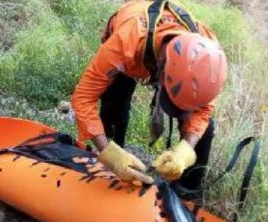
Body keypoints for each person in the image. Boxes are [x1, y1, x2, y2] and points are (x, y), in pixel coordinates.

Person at [71, 0, 228, 192]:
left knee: (206, 128)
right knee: (114, 104)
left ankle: (188, 190)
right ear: (161, 70)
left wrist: (185, 152)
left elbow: (203, 111)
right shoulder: (124, 43)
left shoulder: (208, 54)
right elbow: (84, 97)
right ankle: (113, 162)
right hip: (132, 43)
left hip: (158, 50)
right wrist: (110, 155)